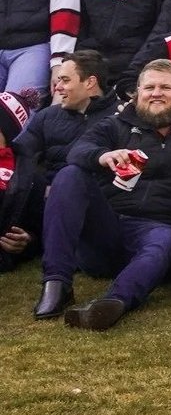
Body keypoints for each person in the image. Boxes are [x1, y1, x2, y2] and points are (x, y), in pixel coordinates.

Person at [35, 60, 171, 328]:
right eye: (149, 87)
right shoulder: (114, 125)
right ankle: (56, 282)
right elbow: (77, 151)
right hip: (108, 225)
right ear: (137, 92)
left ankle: (113, 302)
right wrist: (102, 156)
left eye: (165, 87)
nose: (156, 93)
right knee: (70, 174)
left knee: (164, 241)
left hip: (161, 229)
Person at [5, 51, 112, 267]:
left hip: (97, 208)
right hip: (46, 203)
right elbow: (20, 155)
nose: (57, 88)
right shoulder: (47, 116)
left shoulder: (120, 118)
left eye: (65, 80)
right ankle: (27, 241)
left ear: (90, 82)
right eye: (58, 81)